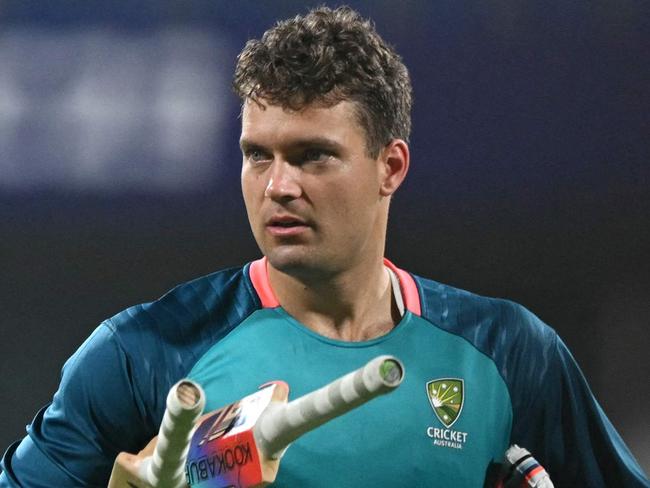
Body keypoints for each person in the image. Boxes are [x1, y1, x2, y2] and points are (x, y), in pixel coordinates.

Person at [1, 6, 648, 488]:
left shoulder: (509, 354)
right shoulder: (143, 354)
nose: (279, 186)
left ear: (390, 167)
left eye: (313, 157)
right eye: (258, 156)